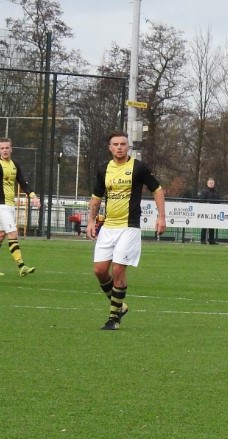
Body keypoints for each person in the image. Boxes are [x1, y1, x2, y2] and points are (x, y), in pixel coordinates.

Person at [87, 131, 166, 330]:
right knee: (99, 270)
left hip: (129, 227)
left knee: (119, 268)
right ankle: (119, 305)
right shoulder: (103, 169)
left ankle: (113, 318)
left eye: (123, 144)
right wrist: (90, 221)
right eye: (116, 144)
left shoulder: (138, 168)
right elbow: (96, 197)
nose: (120, 147)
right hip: (108, 226)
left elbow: (157, 189)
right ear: (110, 148)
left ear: (128, 147)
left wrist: (161, 216)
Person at [0, 137, 40, 277]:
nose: (5, 150)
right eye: (2, 148)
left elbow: (23, 183)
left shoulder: (15, 165)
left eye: (7, 147)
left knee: (0, 235)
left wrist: (33, 196)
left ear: (11, 149)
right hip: (0, 205)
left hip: (10, 205)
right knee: (13, 234)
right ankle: (21, 266)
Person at [198, 177, 221, 245]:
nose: (211, 184)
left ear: (214, 184)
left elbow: (219, 201)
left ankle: (211, 240)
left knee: (212, 226)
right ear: (207, 183)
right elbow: (201, 201)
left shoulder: (216, 192)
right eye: (210, 183)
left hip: (214, 212)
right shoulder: (204, 191)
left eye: (212, 183)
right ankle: (202, 240)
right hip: (205, 211)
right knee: (204, 226)